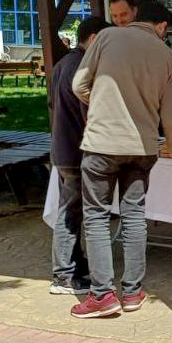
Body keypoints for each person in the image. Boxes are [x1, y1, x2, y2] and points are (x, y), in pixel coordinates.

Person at [70, 1, 172, 318]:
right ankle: (132, 292)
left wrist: (106, 102)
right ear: (160, 27)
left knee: (96, 216)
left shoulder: (106, 37)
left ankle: (102, 295)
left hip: (103, 142)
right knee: (134, 214)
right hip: (143, 146)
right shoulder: (168, 56)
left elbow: (79, 84)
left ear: (134, 18)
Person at [47, 15, 108, 295]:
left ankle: (75, 264)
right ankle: (63, 275)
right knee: (70, 213)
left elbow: (52, 103)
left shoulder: (62, 64)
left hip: (63, 146)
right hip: (75, 148)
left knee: (72, 211)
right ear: (94, 38)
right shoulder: (82, 67)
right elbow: (89, 113)